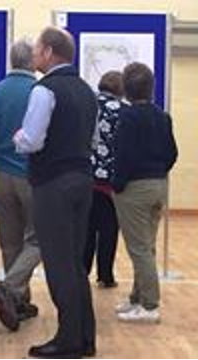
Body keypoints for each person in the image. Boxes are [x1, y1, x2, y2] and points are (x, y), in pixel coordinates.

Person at [13, 27, 98, 358]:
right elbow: (91, 141)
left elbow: (32, 140)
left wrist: (17, 137)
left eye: (37, 49)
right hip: (82, 180)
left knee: (59, 263)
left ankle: (68, 339)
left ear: (49, 52)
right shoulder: (86, 90)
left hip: (52, 183)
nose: (34, 54)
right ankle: (85, 336)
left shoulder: (44, 90)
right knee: (75, 263)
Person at [113, 62, 178, 324]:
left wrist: (118, 185)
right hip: (159, 185)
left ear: (126, 90)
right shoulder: (163, 116)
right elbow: (173, 154)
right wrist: (159, 171)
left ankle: (150, 305)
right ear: (151, 88)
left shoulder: (127, 117)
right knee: (146, 247)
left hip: (134, 189)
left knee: (139, 249)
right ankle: (137, 298)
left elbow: (123, 156)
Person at [0, 39, 42, 332]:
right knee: (38, 238)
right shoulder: (39, 91)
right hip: (31, 174)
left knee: (9, 242)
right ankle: (10, 289)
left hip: (0, 172)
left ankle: (18, 301)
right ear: (32, 61)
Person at [85, 71, 125, 289]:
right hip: (110, 181)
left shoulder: (87, 105)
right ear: (121, 89)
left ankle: (83, 271)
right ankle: (105, 275)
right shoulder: (123, 111)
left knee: (87, 227)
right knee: (109, 228)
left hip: (85, 177)